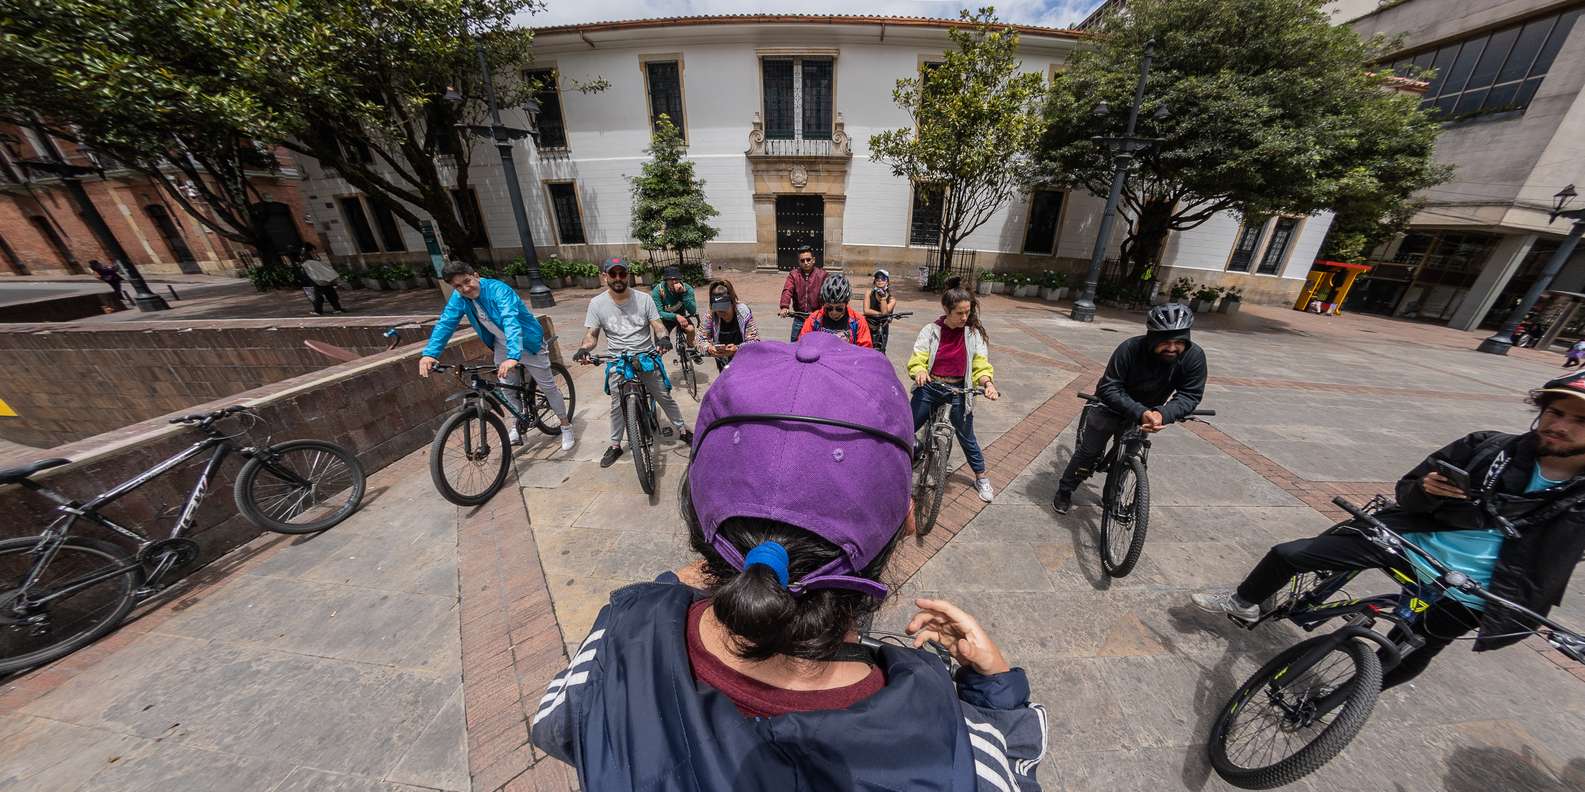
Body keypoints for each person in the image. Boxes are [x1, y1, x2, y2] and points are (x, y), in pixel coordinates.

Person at [529, 332, 1048, 791]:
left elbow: (558, 722)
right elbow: (1011, 773)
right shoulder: (948, 741)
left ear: (699, 516)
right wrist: (994, 694)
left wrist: (667, 590)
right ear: (906, 520)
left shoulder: (626, 630)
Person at [1192, 370, 1585, 689]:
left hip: (1481, 591)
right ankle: (1243, 600)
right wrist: (1427, 491)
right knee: (1289, 554)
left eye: (1579, 420)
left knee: (1409, 656)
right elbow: (1408, 490)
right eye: (1555, 412)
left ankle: (1346, 697)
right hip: (1408, 543)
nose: (1560, 426)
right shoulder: (1487, 447)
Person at [1052, 303, 1207, 515]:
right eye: (1165, 342)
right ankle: (1065, 489)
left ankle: (1112, 497)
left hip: (1149, 414)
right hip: (1111, 406)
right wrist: (1141, 411)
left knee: (1129, 458)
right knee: (1089, 452)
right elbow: (1109, 387)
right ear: (1152, 337)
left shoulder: (1193, 357)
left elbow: (1190, 394)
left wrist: (1163, 414)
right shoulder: (1129, 349)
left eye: (1179, 342)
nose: (1172, 348)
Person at [419, 261, 575, 451]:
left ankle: (565, 425)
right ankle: (518, 422)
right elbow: (446, 323)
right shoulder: (459, 298)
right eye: (457, 286)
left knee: (548, 386)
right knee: (507, 388)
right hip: (501, 345)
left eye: (467, 281)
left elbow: (511, 320)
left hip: (527, 342)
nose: (465, 288)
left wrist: (513, 356)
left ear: (476, 275)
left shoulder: (498, 290)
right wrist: (429, 354)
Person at [573, 257, 691, 468]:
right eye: (613, 274)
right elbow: (592, 334)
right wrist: (584, 348)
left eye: (622, 273)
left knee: (662, 394)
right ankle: (615, 444)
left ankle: (682, 430)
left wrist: (663, 338)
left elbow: (657, 325)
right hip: (617, 359)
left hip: (644, 355)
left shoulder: (644, 299)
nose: (618, 278)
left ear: (628, 275)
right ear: (605, 276)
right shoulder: (597, 304)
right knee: (617, 404)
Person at [908, 281, 1000, 502]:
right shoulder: (931, 331)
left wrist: (988, 384)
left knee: (967, 436)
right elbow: (918, 357)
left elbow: (980, 364)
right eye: (959, 313)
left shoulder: (972, 334)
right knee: (905, 427)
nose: (964, 317)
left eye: (967, 312)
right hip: (931, 387)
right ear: (946, 310)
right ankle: (893, 468)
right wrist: (919, 370)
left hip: (959, 390)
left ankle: (981, 477)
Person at [699, 279, 759, 372]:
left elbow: (755, 341)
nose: (721, 313)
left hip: (744, 360)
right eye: (718, 309)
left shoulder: (744, 312)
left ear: (732, 303)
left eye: (724, 308)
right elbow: (700, 340)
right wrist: (709, 349)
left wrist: (737, 349)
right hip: (723, 362)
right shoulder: (711, 315)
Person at [798, 274, 873, 348]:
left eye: (839, 309)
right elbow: (802, 344)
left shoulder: (858, 321)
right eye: (829, 308)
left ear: (846, 303)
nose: (834, 313)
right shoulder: (814, 320)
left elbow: (866, 350)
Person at [778, 245, 827, 341]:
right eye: (802, 260)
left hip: (816, 318)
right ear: (799, 262)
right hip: (799, 318)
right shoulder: (794, 275)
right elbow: (787, 290)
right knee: (794, 344)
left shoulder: (822, 275)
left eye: (808, 259)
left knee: (817, 344)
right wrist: (784, 306)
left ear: (813, 260)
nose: (806, 263)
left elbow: (827, 293)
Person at [652, 265, 701, 356]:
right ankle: (658, 365)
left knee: (690, 330)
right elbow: (658, 312)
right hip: (665, 319)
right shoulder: (658, 290)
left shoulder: (687, 288)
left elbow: (692, 311)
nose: (674, 282)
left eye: (676, 279)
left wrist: (684, 294)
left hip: (682, 317)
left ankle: (691, 349)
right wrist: (675, 316)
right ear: (665, 280)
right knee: (661, 346)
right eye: (670, 279)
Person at [296, 244, 345, 315]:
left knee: (317, 296)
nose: (314, 251)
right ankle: (337, 308)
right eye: (313, 250)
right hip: (322, 279)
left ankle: (318, 311)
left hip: (315, 280)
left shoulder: (306, 259)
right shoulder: (311, 258)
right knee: (329, 293)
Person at [863, 268, 899, 354]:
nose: (880, 281)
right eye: (877, 278)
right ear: (874, 281)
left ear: (887, 282)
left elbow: (885, 313)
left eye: (883, 279)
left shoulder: (891, 299)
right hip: (869, 324)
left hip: (882, 326)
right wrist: (880, 314)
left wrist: (883, 298)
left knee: (881, 350)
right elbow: (866, 310)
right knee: (866, 348)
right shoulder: (869, 292)